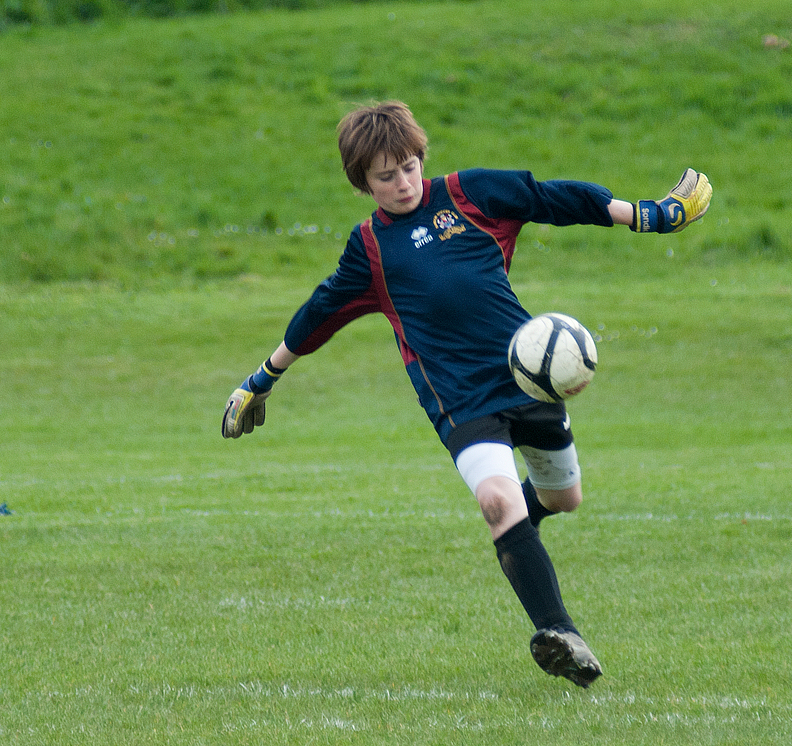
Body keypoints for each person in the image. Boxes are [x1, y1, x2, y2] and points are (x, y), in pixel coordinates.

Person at [222, 101, 712, 688]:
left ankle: (515, 542)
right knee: (499, 504)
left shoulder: (468, 194)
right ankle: (560, 633)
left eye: (408, 167)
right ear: (361, 183)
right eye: (385, 176)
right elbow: (320, 312)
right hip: (458, 397)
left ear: (421, 158)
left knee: (564, 499)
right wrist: (262, 377)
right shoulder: (370, 248)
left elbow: (550, 197)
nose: (402, 183)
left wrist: (648, 214)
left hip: (528, 375)